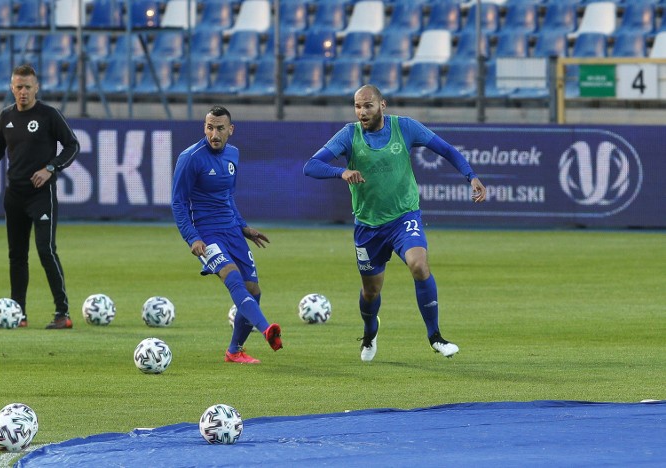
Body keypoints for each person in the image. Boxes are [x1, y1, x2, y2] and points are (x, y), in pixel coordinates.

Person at [303, 85, 487, 361]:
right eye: (357, 106)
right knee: (371, 290)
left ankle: (435, 336)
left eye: (368, 106)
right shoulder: (349, 134)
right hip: (367, 225)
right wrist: (341, 172)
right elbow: (311, 166)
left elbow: (445, 149)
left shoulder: (405, 127)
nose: (362, 112)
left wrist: (470, 176)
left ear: (382, 105)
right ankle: (369, 333)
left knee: (419, 265)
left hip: (404, 217)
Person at [172, 105, 282, 364]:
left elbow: (227, 197)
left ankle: (234, 351)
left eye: (220, 128)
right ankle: (267, 329)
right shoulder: (190, 157)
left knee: (254, 290)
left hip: (232, 230)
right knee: (233, 278)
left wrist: (243, 227)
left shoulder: (233, 154)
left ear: (230, 130)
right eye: (209, 127)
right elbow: (178, 202)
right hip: (206, 234)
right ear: (204, 128)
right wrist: (192, 237)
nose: (214, 133)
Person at [0, 64, 80, 329]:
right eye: (18, 87)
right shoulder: (5, 117)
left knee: (46, 251)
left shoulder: (48, 115)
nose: (23, 92)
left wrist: (50, 168)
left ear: (37, 88)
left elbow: (72, 145)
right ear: (12, 88)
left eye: (28, 87)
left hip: (41, 194)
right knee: (17, 255)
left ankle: (62, 313)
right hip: (15, 195)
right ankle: (17, 314)